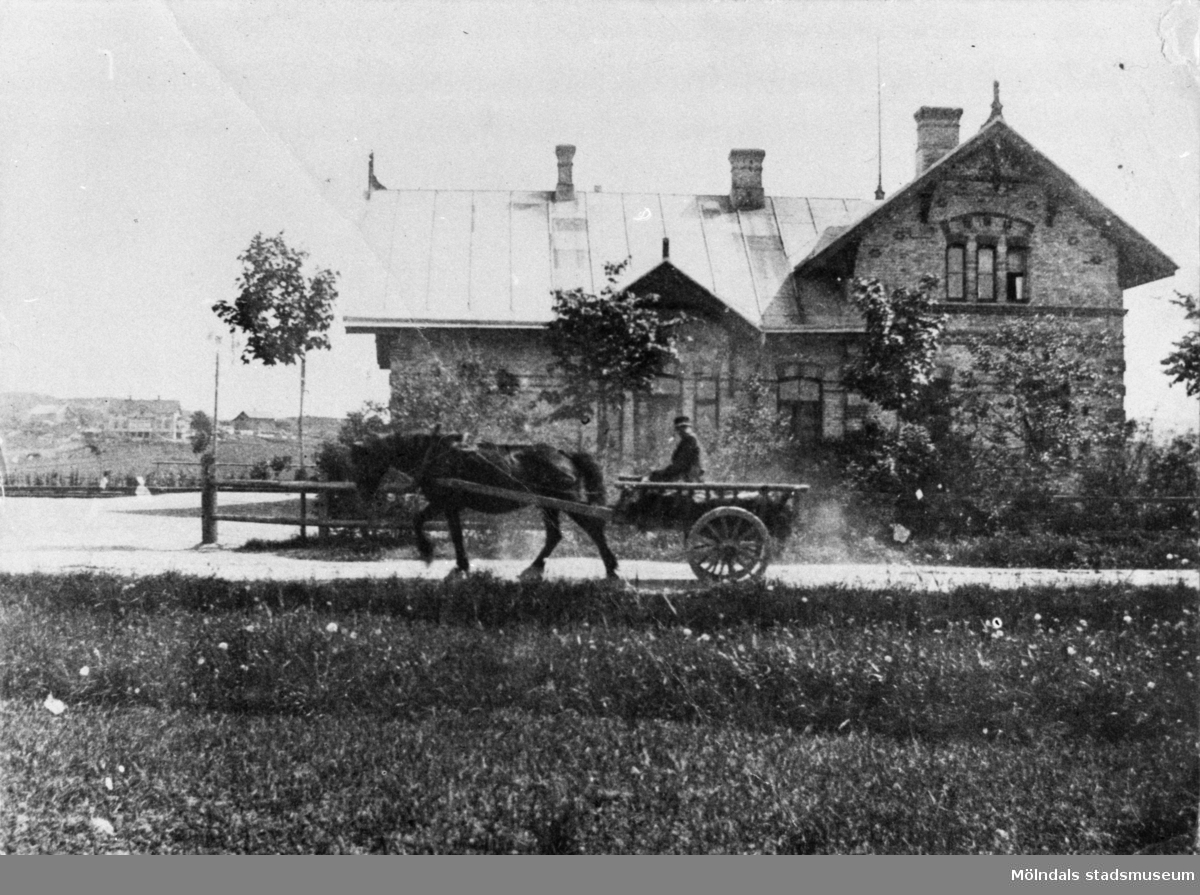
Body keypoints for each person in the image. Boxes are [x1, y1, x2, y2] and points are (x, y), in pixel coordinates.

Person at [648, 415, 706, 483]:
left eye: (684, 427)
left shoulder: (690, 441)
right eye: (681, 428)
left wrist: (659, 473)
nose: (681, 431)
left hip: (689, 480)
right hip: (689, 478)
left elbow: (680, 465)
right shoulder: (689, 440)